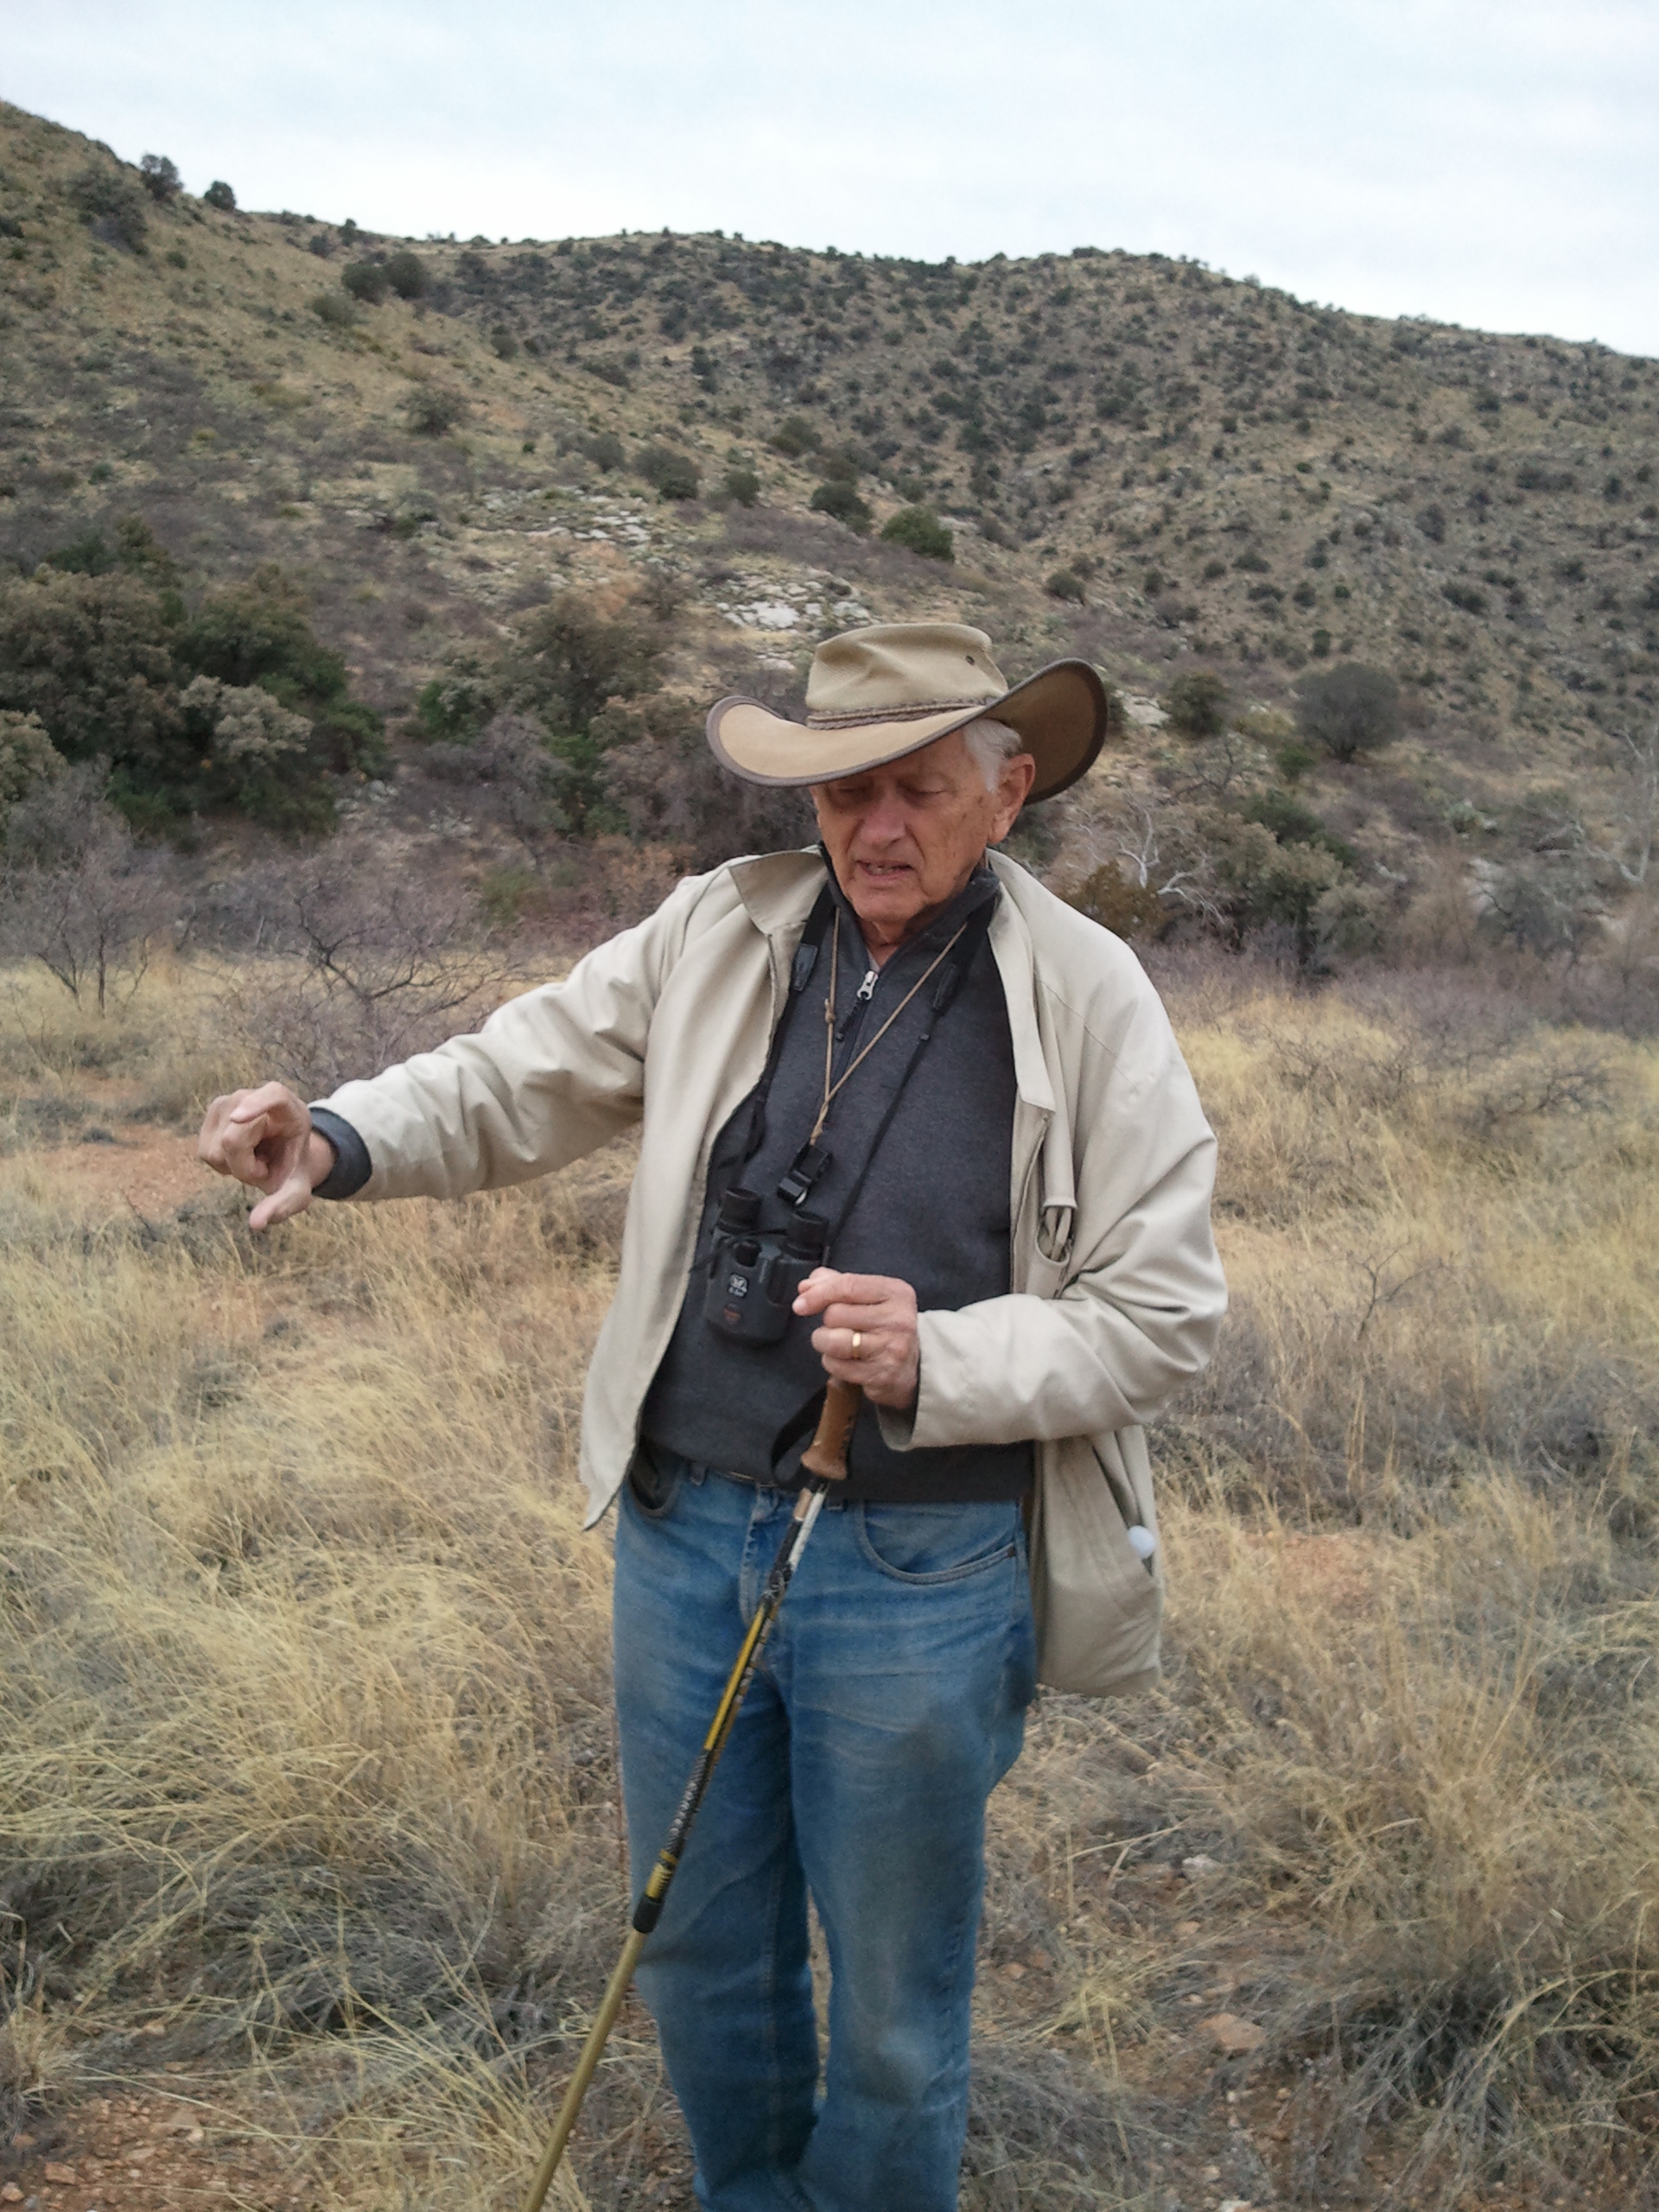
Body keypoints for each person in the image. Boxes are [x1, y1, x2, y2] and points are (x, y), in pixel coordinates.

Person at [199, 620, 1226, 2212]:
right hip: (684, 1535)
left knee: (892, 2006)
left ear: (1007, 789)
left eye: (919, 790)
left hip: (921, 1569)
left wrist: (941, 1360)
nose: (878, 829)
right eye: (845, 794)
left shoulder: (1090, 996)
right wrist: (336, 1137)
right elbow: (516, 1073)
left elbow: (1164, 1315)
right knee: (699, 1949)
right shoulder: (721, 929)